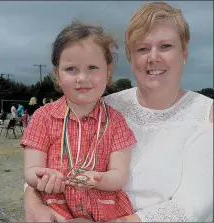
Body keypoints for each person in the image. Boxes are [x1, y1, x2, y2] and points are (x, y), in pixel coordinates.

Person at [23, 2, 213, 222]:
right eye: (142, 49)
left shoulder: (206, 116)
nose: (153, 57)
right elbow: (45, 161)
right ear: (131, 57)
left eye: (165, 46)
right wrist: (33, 199)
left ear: (185, 52)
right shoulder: (104, 105)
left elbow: (191, 208)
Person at [21, 21, 137, 222]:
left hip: (104, 213)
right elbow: (31, 171)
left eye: (92, 67)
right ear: (57, 75)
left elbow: (119, 176)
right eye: (71, 69)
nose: (82, 77)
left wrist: (97, 180)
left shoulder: (116, 121)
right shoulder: (43, 117)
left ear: (108, 72)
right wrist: (44, 176)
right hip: (56, 209)